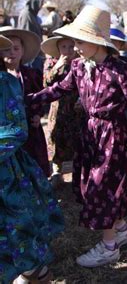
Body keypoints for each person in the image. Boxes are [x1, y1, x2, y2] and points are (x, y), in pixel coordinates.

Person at [27, 5, 127, 267]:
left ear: (97, 41)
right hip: (90, 132)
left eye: (80, 42)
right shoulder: (81, 67)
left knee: (103, 188)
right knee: (91, 184)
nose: (76, 47)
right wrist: (27, 100)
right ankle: (122, 228)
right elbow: (59, 88)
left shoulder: (120, 69)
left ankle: (109, 247)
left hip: (114, 135)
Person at [0, 34, 64, 284]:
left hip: (7, 176)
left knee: (18, 234)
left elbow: (16, 130)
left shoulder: (5, 83)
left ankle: (35, 275)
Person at [0, 26, 50, 177]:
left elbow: (40, 98)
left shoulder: (32, 75)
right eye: (7, 49)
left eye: (16, 48)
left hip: (30, 129)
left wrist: (37, 115)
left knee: (33, 164)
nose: (12, 52)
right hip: (4, 132)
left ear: (22, 51)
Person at [42, 35, 84, 188]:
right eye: (63, 47)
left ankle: (77, 174)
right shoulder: (51, 62)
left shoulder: (81, 63)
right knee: (55, 140)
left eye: (71, 46)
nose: (68, 50)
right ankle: (56, 173)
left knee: (77, 140)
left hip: (76, 108)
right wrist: (57, 66)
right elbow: (46, 82)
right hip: (57, 109)